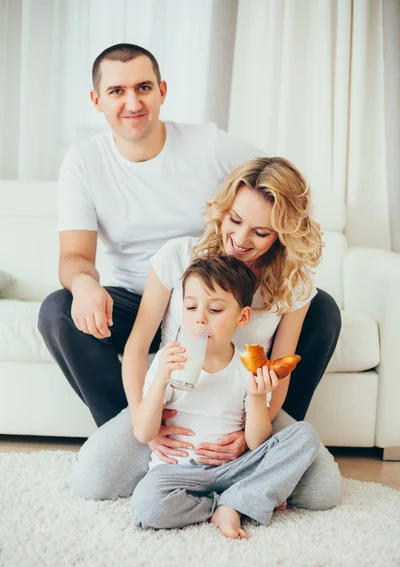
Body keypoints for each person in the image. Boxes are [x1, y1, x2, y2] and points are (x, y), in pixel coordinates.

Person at [37, 42, 341, 444]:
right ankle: (137, 434)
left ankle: (265, 438)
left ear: (162, 90)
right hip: (137, 296)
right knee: (58, 310)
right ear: (97, 100)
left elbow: (278, 187)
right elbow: (73, 257)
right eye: (116, 91)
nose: (133, 102)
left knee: (321, 308)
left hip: (215, 291)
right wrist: (84, 284)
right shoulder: (84, 161)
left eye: (143, 87)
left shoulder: (209, 145)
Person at [72, 156, 341, 512]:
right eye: (235, 220)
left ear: (283, 233)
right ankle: (188, 481)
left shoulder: (294, 284)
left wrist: (248, 440)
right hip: (176, 405)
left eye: (261, 233)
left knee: (322, 491)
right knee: (92, 479)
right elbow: (137, 347)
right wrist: (144, 421)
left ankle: (229, 488)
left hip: (245, 409)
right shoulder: (178, 256)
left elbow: (278, 369)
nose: (241, 240)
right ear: (224, 209)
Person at [129, 255, 321, 538]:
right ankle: (229, 504)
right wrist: (160, 381)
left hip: (235, 467)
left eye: (216, 309)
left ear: (242, 317)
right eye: (191, 307)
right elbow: (144, 434)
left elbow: (256, 443)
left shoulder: (246, 366)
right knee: (147, 506)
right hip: (177, 472)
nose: (200, 318)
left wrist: (256, 397)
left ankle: (237, 497)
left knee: (305, 436)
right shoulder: (167, 362)